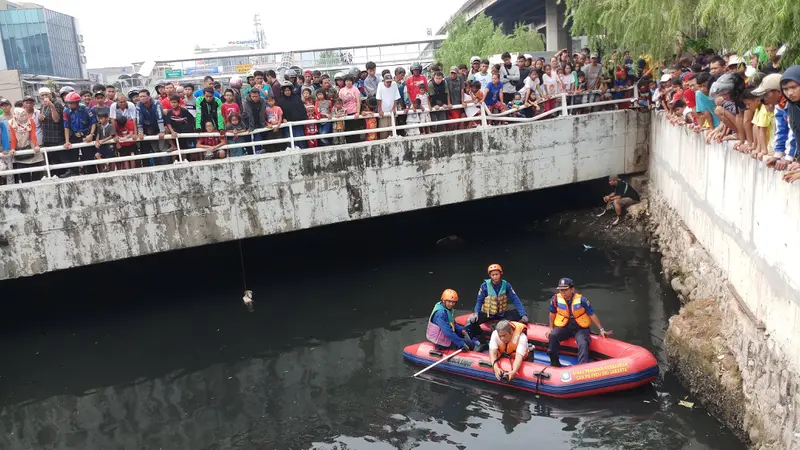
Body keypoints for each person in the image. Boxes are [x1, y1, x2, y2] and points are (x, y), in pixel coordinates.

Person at [546, 278, 608, 366]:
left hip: (580, 327)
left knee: (583, 343)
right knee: (553, 336)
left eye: (565, 290)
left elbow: (592, 314)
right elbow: (552, 313)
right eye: (561, 290)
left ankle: (581, 367)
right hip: (565, 326)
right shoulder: (555, 299)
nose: (563, 292)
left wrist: (601, 329)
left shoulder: (582, 300)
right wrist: (551, 328)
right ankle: (554, 362)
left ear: (572, 289)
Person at [466, 264, 529, 339]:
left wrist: (523, 314)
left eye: (497, 274)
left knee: (518, 314)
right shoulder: (484, 286)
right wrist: (476, 313)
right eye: (493, 275)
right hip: (488, 314)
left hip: (501, 314)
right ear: (490, 275)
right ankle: (482, 342)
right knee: (473, 321)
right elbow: (479, 301)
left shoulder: (506, 285)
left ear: (500, 274)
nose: (495, 277)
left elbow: (515, 299)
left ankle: (507, 328)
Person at [62, 92, 96, 177]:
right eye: (68, 103)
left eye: (71, 103)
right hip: (74, 136)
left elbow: (94, 123)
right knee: (73, 155)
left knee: (88, 156)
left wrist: (91, 134)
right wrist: (67, 141)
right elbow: (66, 127)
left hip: (86, 135)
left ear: (77, 102)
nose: (69, 105)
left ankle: (91, 173)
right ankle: (74, 172)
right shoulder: (66, 111)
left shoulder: (86, 110)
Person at [135, 89, 167, 166]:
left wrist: (162, 131)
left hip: (160, 126)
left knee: (162, 147)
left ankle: (166, 164)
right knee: (155, 148)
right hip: (149, 128)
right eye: (140, 96)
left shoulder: (156, 103)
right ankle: (158, 165)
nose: (142, 98)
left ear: (149, 97)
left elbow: (159, 117)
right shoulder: (139, 105)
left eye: (144, 96)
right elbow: (139, 120)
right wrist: (140, 133)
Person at [9, 107, 42, 182]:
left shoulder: (30, 121)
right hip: (20, 146)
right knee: (24, 172)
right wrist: (13, 148)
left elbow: (33, 134)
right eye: (22, 116)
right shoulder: (12, 123)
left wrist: (36, 145)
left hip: (31, 144)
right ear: (16, 116)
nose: (24, 117)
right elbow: (13, 137)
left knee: (36, 171)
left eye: (25, 115)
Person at [242, 89, 267, 154]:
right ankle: (250, 153)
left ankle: (258, 151)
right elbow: (249, 114)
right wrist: (250, 127)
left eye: (256, 96)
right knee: (248, 140)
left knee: (258, 138)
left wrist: (263, 125)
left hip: (258, 123)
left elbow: (262, 113)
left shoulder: (262, 101)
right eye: (253, 96)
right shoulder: (246, 102)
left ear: (259, 96)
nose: (255, 98)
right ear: (250, 96)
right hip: (247, 123)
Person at [93, 107, 115, 172]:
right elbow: (98, 135)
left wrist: (103, 140)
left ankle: (111, 170)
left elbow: (112, 136)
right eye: (99, 119)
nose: (100, 120)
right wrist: (97, 142)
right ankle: (106, 165)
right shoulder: (99, 127)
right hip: (102, 146)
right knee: (97, 155)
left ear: (106, 118)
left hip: (109, 145)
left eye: (102, 118)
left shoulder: (110, 126)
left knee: (111, 159)